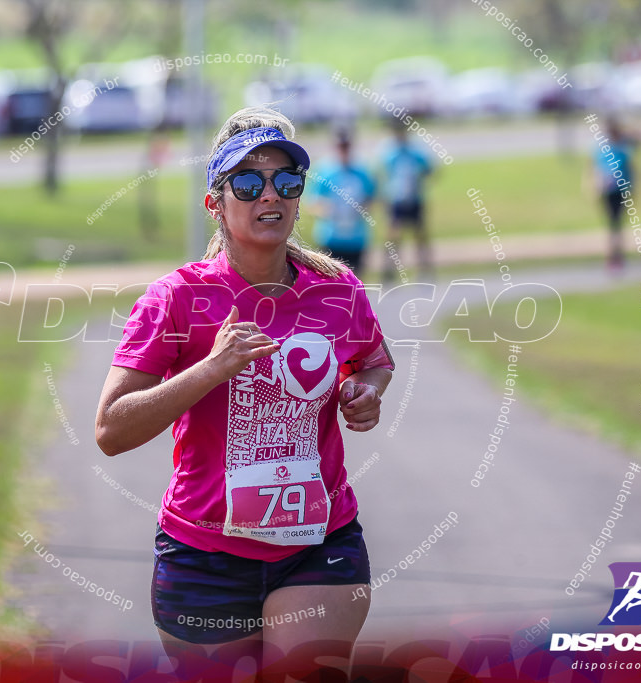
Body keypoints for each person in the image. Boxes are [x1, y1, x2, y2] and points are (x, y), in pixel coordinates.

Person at [95, 106, 394, 678]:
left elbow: (373, 361)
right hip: (203, 556)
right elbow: (111, 429)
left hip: (320, 545)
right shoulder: (176, 299)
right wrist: (211, 369)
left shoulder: (336, 289)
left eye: (286, 181)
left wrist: (364, 390)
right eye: (248, 183)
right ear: (216, 202)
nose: (270, 195)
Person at [309, 130, 377, 275]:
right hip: (331, 238)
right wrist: (330, 211)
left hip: (356, 238)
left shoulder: (362, 171)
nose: (343, 150)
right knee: (329, 286)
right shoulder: (324, 171)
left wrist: (359, 210)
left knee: (356, 284)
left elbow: (371, 197)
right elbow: (313, 202)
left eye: (346, 146)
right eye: (340, 146)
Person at [380, 122, 434, 280]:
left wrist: (419, 181)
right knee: (393, 236)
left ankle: (424, 270)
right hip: (396, 199)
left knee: (420, 236)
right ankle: (389, 270)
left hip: (414, 198)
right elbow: (383, 173)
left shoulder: (415, 151)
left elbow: (429, 169)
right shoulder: (390, 152)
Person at [590, 117, 636, 272]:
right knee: (613, 224)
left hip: (621, 191)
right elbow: (597, 170)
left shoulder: (622, 148)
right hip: (609, 191)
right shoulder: (604, 149)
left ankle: (616, 255)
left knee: (617, 224)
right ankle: (613, 256)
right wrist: (596, 187)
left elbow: (630, 169)